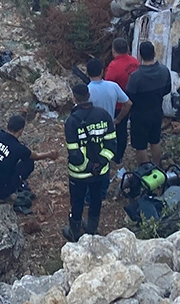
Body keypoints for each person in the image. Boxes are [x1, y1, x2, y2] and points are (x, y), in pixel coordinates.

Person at [63, 83, 116, 241]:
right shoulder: (104, 115)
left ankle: (74, 232)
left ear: (74, 98)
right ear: (89, 96)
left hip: (79, 173)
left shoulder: (71, 121)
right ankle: (92, 228)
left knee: (77, 201)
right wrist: (100, 163)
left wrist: (87, 166)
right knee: (96, 199)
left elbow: (74, 152)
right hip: (100, 171)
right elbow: (111, 144)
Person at [0, 114, 58, 202]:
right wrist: (49, 154)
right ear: (21, 130)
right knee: (29, 161)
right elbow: (35, 156)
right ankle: (11, 190)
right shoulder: (18, 148)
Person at [125, 41, 171, 167]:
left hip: (140, 115)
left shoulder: (135, 76)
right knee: (155, 141)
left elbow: (129, 97)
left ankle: (145, 170)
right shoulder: (164, 71)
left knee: (140, 146)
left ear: (140, 56)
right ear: (154, 53)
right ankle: (156, 166)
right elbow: (167, 89)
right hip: (157, 112)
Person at [105, 38, 140, 164]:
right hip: (134, 100)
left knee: (119, 129)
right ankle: (128, 152)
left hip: (119, 104)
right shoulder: (135, 62)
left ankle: (116, 156)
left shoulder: (114, 66)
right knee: (125, 129)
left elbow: (108, 86)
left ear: (114, 51)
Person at [87, 58, 129, 128]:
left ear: (87, 73)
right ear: (102, 71)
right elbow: (128, 103)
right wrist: (118, 119)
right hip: (110, 128)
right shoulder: (113, 86)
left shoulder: (86, 90)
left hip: (93, 130)